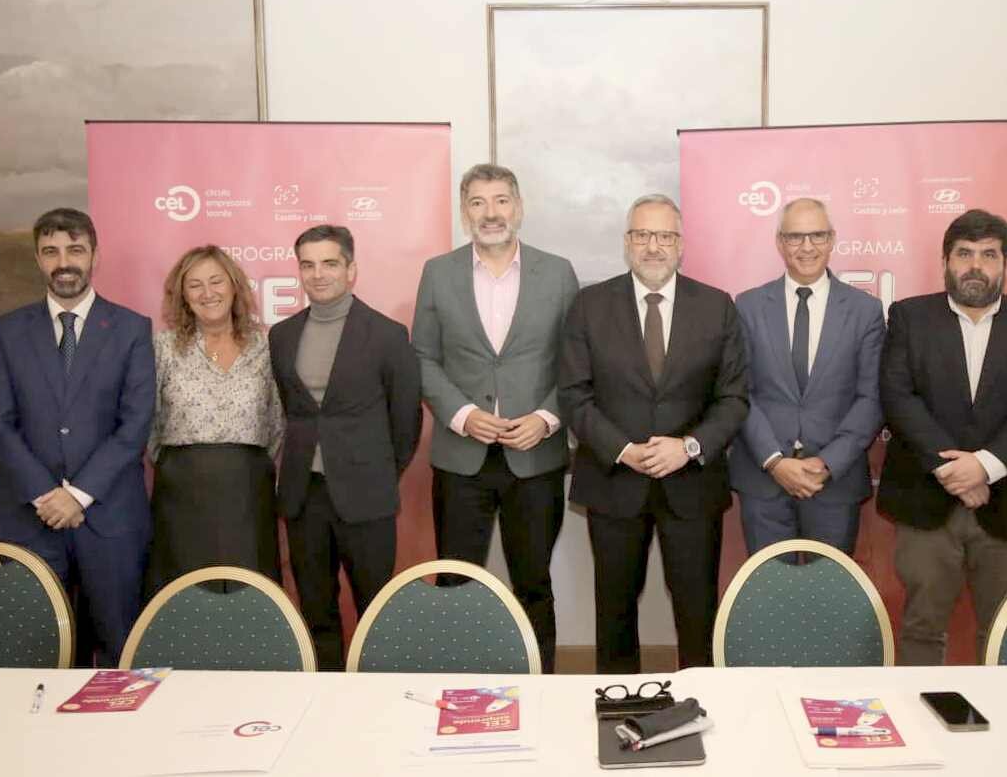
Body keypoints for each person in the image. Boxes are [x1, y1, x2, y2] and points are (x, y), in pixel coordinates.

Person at [559, 193, 748, 673]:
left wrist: (688, 447)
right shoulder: (589, 305)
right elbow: (574, 394)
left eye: (664, 235)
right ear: (626, 243)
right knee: (614, 613)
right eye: (642, 235)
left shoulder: (717, 306)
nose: (653, 246)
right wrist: (621, 449)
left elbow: (733, 398)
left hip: (692, 486)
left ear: (681, 244)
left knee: (697, 612)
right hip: (614, 482)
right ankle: (619, 713)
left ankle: (704, 708)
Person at [877, 209, 1007, 665]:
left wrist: (985, 465)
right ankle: (918, 726)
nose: (975, 265)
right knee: (922, 627)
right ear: (946, 260)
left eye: (988, 254)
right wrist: (954, 470)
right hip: (926, 502)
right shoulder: (909, 316)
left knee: (1003, 631)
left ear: (1005, 263)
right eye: (964, 254)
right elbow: (898, 396)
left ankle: (1000, 730)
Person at [412, 164, 579, 672]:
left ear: (519, 207)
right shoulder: (438, 272)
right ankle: (458, 688)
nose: (491, 213)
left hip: (536, 456)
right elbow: (422, 356)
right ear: (465, 212)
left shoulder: (559, 272)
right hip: (463, 457)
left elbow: (578, 361)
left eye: (501, 200)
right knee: (457, 582)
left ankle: (540, 683)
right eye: (479, 202)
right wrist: (463, 415)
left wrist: (548, 418)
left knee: (533, 582)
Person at [0, 207, 155, 666]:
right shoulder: (8, 330)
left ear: (94, 255)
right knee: (40, 652)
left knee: (120, 651)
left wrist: (76, 496)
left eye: (75, 249)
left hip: (110, 518)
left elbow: (134, 425)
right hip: (26, 519)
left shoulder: (132, 329)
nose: (64, 262)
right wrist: (45, 494)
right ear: (38, 259)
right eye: (51, 251)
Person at [268, 225, 422, 671]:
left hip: (366, 496)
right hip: (303, 495)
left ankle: (377, 705)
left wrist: (376, 472)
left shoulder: (387, 334)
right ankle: (325, 700)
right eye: (308, 265)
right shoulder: (281, 335)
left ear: (351, 270)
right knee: (317, 611)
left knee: (375, 609)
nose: (318, 274)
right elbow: (288, 410)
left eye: (330, 263)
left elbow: (406, 419)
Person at [731, 197, 885, 555]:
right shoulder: (748, 306)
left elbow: (872, 397)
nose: (806, 247)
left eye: (816, 236)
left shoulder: (865, 310)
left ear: (832, 240)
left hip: (834, 483)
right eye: (795, 237)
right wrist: (774, 460)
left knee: (830, 599)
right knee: (770, 594)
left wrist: (827, 463)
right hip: (763, 480)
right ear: (780, 243)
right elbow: (738, 392)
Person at [144, 245, 283, 597]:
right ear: (182, 295)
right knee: (182, 591)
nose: (208, 293)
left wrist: (247, 463)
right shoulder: (162, 347)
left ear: (234, 286)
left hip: (248, 489)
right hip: (181, 490)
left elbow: (278, 419)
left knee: (249, 590)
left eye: (216, 281)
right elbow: (147, 419)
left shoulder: (266, 346)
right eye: (195, 285)